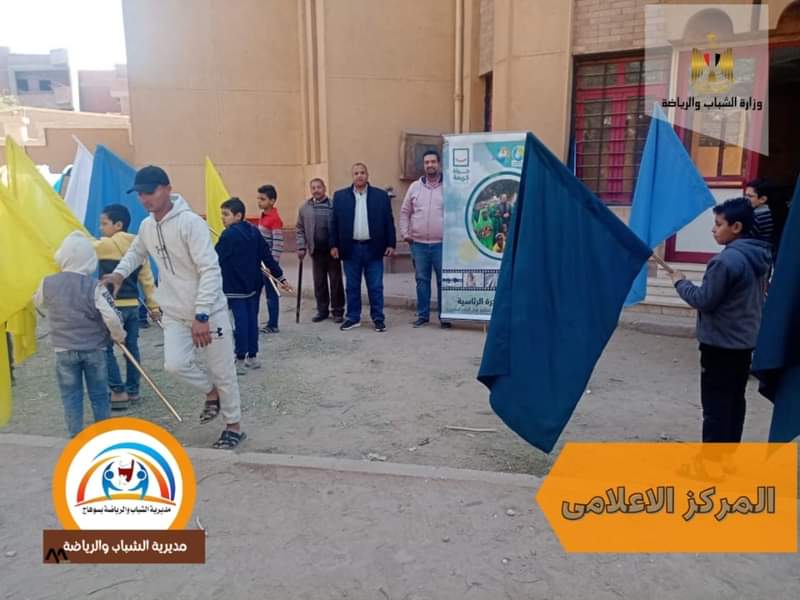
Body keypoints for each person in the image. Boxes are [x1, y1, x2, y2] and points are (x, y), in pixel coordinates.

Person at [103, 165, 246, 449]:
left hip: (209, 312)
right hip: (174, 313)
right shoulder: (147, 226)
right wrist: (118, 274)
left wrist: (202, 313)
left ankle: (233, 426)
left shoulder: (190, 223)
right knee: (174, 365)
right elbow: (136, 253)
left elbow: (210, 269)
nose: (145, 199)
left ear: (167, 189)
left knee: (223, 371)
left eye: (150, 192)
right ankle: (211, 393)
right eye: (140, 193)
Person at [670, 198, 771, 455]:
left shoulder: (725, 262)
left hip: (719, 345)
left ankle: (712, 467)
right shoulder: (760, 256)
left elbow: (704, 300)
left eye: (718, 224)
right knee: (734, 403)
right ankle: (726, 460)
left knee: (716, 408)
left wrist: (680, 282)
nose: (713, 230)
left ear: (736, 227)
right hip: (744, 343)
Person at [34, 232, 125, 438]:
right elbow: (111, 316)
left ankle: (75, 434)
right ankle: (103, 434)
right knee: (99, 394)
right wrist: (119, 335)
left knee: (70, 395)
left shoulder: (48, 282)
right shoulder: (95, 286)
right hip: (95, 348)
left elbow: (38, 301)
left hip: (63, 349)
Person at [96, 203, 160, 410]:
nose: (100, 228)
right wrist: (154, 307)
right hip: (133, 306)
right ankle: (133, 390)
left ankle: (117, 390)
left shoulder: (104, 245)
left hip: (111, 307)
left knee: (105, 348)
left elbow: (81, 247)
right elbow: (147, 280)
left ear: (118, 225)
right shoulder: (138, 247)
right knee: (131, 348)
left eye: (104, 223)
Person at [216, 197, 287, 375]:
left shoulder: (228, 235)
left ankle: (240, 358)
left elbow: (215, 259)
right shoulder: (254, 231)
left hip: (235, 287)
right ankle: (253, 356)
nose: (222, 218)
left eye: (226, 214)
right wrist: (280, 277)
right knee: (251, 321)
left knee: (240, 323)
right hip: (253, 285)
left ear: (238, 215)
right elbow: (267, 256)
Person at [330, 162, 396, 332]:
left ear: (367, 175)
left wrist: (391, 243)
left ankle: (378, 318)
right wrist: (334, 245)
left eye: (362, 172)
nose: (359, 175)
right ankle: (353, 317)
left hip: (373, 248)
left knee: (375, 286)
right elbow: (334, 223)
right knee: (352, 286)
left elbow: (389, 221)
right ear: (352, 176)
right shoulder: (340, 196)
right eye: (356, 173)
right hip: (350, 248)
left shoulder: (380, 196)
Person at [399, 149, 451, 329]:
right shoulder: (415, 187)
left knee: (444, 282)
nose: (430, 165)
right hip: (419, 244)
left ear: (439, 163)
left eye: (433, 162)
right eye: (427, 162)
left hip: (442, 244)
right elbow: (405, 212)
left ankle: (445, 317)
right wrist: (405, 233)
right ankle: (423, 315)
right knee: (422, 281)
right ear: (424, 165)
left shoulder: (448, 186)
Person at [296, 178, 345, 323]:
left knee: (336, 282)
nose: (316, 190)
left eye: (319, 187)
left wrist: (338, 246)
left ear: (324, 188)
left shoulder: (333, 206)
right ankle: (322, 310)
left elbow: (341, 226)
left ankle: (338, 311)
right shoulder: (305, 208)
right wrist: (301, 246)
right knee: (319, 282)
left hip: (332, 251)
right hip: (316, 251)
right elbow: (300, 229)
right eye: (313, 188)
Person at [256, 184, 284, 334]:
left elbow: (278, 244)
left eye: (263, 199)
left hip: (268, 264)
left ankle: (273, 324)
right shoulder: (263, 216)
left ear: (272, 201)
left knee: (271, 293)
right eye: (258, 199)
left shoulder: (274, 219)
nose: (259, 202)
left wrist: (272, 265)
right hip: (261, 263)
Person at [744, 178, 774, 250]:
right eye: (745, 195)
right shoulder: (768, 213)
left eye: (750, 196)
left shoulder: (756, 218)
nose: (745, 199)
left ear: (762, 199)